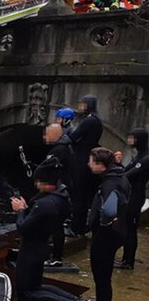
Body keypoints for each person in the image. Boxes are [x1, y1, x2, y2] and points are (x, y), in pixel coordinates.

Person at [11, 157, 92, 301]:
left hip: (31, 250)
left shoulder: (45, 204)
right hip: (42, 246)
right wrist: (28, 208)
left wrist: (21, 211)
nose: (36, 185)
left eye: (38, 182)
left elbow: (22, 228)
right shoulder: (62, 195)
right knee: (37, 286)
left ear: (47, 182)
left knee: (27, 293)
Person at [87, 147, 130, 301]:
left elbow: (109, 210)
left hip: (106, 235)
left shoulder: (109, 184)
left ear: (101, 165)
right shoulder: (121, 177)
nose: (88, 164)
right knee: (105, 276)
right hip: (119, 232)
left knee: (102, 277)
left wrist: (102, 223)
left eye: (91, 161)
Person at [68, 95, 103, 236]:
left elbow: (73, 137)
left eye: (82, 104)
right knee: (85, 196)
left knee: (78, 196)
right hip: (89, 159)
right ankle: (83, 225)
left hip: (81, 160)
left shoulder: (88, 121)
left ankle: (75, 227)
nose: (80, 106)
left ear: (88, 105)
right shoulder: (98, 121)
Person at [117, 128, 149, 270]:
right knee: (127, 227)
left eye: (132, 138)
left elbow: (129, 174)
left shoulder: (145, 158)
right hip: (130, 195)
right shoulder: (138, 156)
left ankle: (128, 261)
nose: (129, 141)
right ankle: (125, 258)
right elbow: (124, 171)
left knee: (131, 229)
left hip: (136, 197)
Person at [42, 123, 74, 266]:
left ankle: (56, 258)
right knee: (55, 224)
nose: (44, 137)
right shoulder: (64, 147)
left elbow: (48, 168)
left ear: (55, 134)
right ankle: (52, 254)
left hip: (59, 191)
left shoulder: (59, 150)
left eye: (47, 134)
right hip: (62, 189)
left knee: (56, 224)